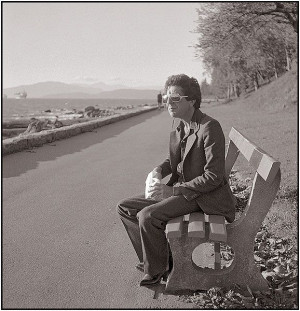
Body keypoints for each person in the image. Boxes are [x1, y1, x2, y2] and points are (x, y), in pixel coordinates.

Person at [117, 74, 236, 287]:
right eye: (166, 98)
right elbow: (173, 162)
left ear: (191, 101)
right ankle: (154, 259)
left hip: (204, 198)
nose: (168, 103)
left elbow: (214, 177)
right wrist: (157, 170)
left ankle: (157, 269)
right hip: (186, 193)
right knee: (125, 207)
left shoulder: (209, 127)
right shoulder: (181, 126)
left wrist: (173, 191)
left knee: (147, 216)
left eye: (175, 98)